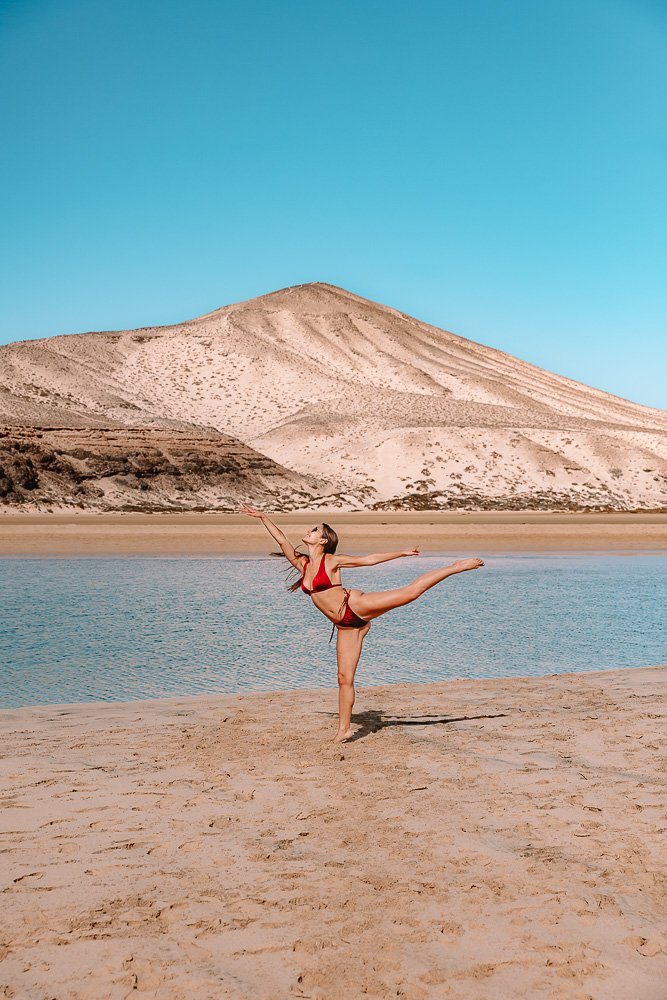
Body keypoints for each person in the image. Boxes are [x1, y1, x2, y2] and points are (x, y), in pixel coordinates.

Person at [239, 505, 484, 742]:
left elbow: (368, 560)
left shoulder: (331, 561)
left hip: (354, 606)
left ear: (323, 541)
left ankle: (455, 567)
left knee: (410, 593)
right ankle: (344, 729)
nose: (309, 531)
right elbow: (281, 540)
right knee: (344, 678)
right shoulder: (303, 564)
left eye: (315, 530)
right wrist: (262, 517)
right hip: (347, 626)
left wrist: (402, 553)